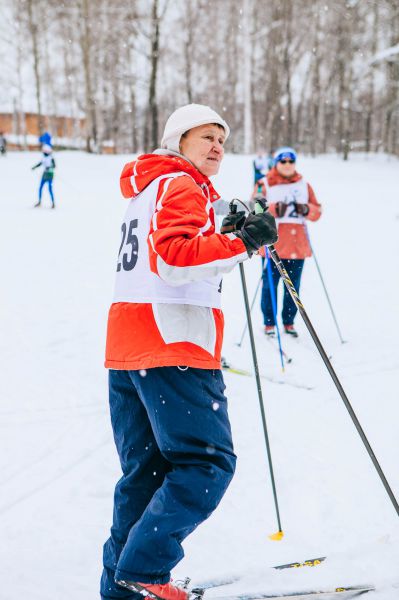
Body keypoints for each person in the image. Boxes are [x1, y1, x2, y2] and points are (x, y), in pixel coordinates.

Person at [101, 103, 277, 600]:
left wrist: (227, 230)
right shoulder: (180, 183)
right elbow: (176, 258)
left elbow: (177, 248)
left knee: (146, 473)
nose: (217, 147)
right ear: (179, 141)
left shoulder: (148, 187)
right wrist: (243, 242)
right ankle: (147, 570)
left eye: (222, 139)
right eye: (206, 138)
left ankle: (124, 586)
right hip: (172, 342)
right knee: (207, 463)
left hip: (128, 343)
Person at [256, 146, 322, 337]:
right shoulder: (265, 183)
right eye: (283, 161)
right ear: (276, 163)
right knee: (269, 285)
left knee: (293, 288)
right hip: (272, 245)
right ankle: (269, 323)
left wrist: (306, 209)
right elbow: (255, 209)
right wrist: (275, 208)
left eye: (291, 161)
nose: (287, 165)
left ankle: (289, 322)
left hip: (297, 246)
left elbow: (317, 211)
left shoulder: (303, 185)